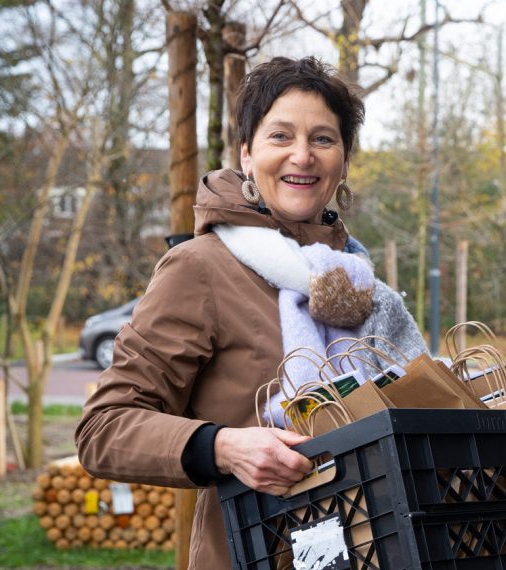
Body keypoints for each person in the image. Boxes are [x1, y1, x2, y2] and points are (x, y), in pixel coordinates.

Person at [75, 57, 426, 567]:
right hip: (253, 553)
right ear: (247, 153)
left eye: (323, 139)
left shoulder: (358, 281)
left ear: (343, 160)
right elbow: (102, 428)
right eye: (280, 136)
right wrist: (223, 447)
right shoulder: (201, 268)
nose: (302, 156)